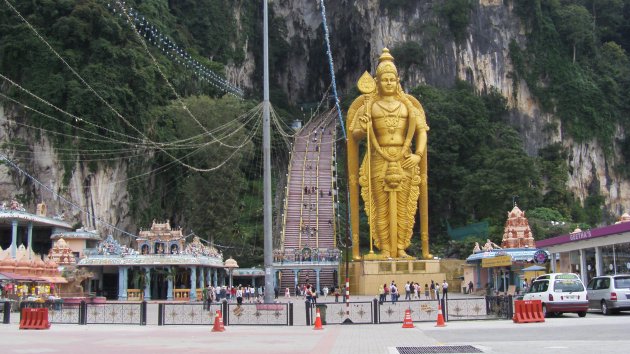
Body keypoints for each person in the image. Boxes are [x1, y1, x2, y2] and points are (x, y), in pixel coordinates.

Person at [348, 48, 430, 259]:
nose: (388, 83)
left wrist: (418, 155)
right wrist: (364, 127)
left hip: (405, 159)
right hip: (378, 158)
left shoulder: (408, 106)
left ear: (398, 80)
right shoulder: (369, 105)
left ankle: (401, 247)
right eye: (384, 79)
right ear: (377, 81)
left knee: (404, 207)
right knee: (380, 206)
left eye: (392, 79)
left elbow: (421, 131)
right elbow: (354, 135)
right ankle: (385, 248)